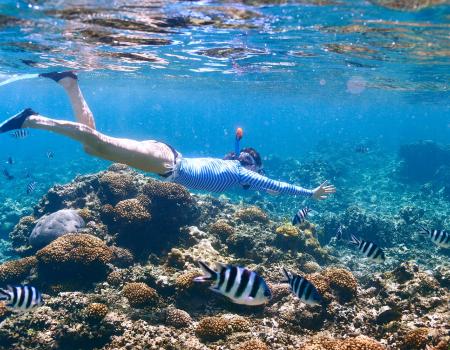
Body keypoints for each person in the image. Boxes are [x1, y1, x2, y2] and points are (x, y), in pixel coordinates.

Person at [0, 71, 336, 200]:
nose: (252, 171)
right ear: (249, 166)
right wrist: (309, 192)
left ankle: (70, 84)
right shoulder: (237, 171)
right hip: (166, 161)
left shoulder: (232, 171)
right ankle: (32, 120)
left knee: (94, 145)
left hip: (166, 158)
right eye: (253, 166)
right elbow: (275, 185)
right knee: (98, 144)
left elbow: (264, 185)